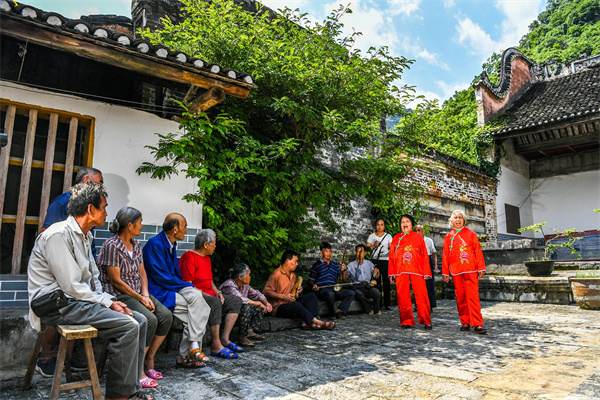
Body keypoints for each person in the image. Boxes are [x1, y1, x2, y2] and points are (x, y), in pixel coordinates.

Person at [27, 182, 151, 400]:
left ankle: (131, 388)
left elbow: (93, 278)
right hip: (57, 304)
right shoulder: (58, 235)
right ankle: (119, 396)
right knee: (128, 325)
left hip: (78, 301)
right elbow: (71, 286)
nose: (107, 213)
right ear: (90, 209)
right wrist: (107, 302)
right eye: (104, 208)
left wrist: (108, 300)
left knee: (140, 320)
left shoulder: (86, 236)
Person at [34, 167, 103, 377]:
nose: (101, 186)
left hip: (81, 264)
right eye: (99, 182)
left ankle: (67, 358)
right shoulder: (62, 202)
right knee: (59, 303)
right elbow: (47, 232)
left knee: (80, 305)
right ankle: (46, 359)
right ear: (86, 180)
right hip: (60, 267)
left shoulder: (92, 205)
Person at [97, 207, 173, 387]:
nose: (142, 226)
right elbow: (116, 281)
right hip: (119, 295)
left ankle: (149, 359)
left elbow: (142, 272)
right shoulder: (112, 246)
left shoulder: (136, 245)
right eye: (140, 222)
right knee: (150, 320)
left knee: (166, 316)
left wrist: (145, 295)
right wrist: (140, 298)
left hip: (138, 293)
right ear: (130, 225)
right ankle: (138, 370)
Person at [142, 213, 211, 368]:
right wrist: (186, 285)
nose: (186, 230)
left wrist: (187, 286)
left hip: (172, 285)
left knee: (197, 300)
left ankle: (191, 348)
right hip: (159, 290)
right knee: (198, 312)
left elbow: (173, 274)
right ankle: (187, 353)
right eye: (184, 226)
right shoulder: (155, 244)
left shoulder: (171, 244)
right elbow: (161, 277)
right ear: (175, 229)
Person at [179, 229, 243, 359]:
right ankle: (216, 344)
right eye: (214, 243)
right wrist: (206, 295)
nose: (215, 246)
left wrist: (218, 292)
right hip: (196, 296)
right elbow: (188, 285)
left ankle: (225, 339)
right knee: (215, 302)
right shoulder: (189, 257)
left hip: (210, 295)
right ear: (206, 244)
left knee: (235, 300)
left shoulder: (207, 259)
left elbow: (210, 281)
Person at [263, 250, 335, 330]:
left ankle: (308, 322)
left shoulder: (293, 276)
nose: (297, 264)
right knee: (297, 306)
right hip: (278, 306)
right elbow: (266, 291)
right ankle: (319, 322)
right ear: (287, 261)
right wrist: (283, 296)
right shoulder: (276, 274)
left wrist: (299, 290)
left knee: (311, 296)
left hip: (290, 302)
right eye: (295, 261)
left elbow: (293, 293)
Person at [442, 210, 487, 334]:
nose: (458, 219)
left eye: (460, 217)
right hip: (456, 271)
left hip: (471, 269)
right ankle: (465, 322)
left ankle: (477, 323)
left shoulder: (471, 234)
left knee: (473, 297)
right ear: (451, 221)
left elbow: (478, 251)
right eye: (455, 217)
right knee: (460, 297)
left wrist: (481, 268)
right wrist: (445, 272)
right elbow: (445, 255)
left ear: (464, 220)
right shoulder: (448, 236)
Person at [389, 214, 432, 330]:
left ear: (412, 224)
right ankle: (406, 320)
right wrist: (391, 272)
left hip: (417, 270)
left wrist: (426, 272)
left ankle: (426, 320)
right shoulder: (396, 238)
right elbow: (392, 256)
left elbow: (424, 255)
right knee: (402, 296)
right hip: (400, 270)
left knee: (422, 295)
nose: (404, 223)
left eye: (407, 221)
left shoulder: (418, 237)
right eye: (402, 222)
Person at [219, 263, 272, 347]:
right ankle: (242, 337)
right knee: (246, 307)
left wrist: (266, 302)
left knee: (260, 307)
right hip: (226, 315)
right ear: (240, 277)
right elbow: (241, 299)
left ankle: (250, 331)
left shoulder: (245, 285)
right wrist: (257, 303)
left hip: (239, 314)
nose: (250, 277)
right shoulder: (229, 285)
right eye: (248, 275)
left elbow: (256, 293)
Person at [308, 242, 355, 320]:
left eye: (330, 251)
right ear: (321, 253)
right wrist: (313, 285)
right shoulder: (317, 265)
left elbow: (343, 279)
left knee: (351, 293)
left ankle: (339, 311)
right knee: (330, 294)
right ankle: (332, 313)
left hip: (334, 289)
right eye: (326, 251)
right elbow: (310, 280)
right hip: (323, 290)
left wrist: (345, 270)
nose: (329, 253)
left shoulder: (334, 265)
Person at [366, 219, 393, 311]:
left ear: (384, 226)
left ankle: (387, 304)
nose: (380, 226)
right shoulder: (372, 236)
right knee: (376, 282)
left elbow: (391, 247)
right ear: (375, 226)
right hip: (375, 261)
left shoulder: (388, 236)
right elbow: (367, 248)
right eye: (378, 224)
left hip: (385, 260)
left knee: (386, 282)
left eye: (382, 224)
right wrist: (374, 245)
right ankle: (378, 304)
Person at [346, 245, 381, 315]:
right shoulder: (350, 265)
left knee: (376, 292)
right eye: (358, 252)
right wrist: (343, 271)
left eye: (361, 252)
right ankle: (369, 309)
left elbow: (376, 276)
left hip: (367, 286)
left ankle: (376, 309)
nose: (359, 254)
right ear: (355, 253)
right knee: (359, 294)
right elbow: (345, 277)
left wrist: (377, 272)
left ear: (365, 253)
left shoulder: (369, 264)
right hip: (356, 286)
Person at [415, 224, 438, 309]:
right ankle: (418, 305)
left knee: (429, 283)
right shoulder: (413, 241)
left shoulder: (428, 241)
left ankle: (430, 305)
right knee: (417, 284)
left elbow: (434, 254)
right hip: (417, 261)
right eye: (416, 231)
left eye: (419, 230)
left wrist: (435, 265)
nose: (417, 232)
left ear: (423, 231)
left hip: (427, 261)